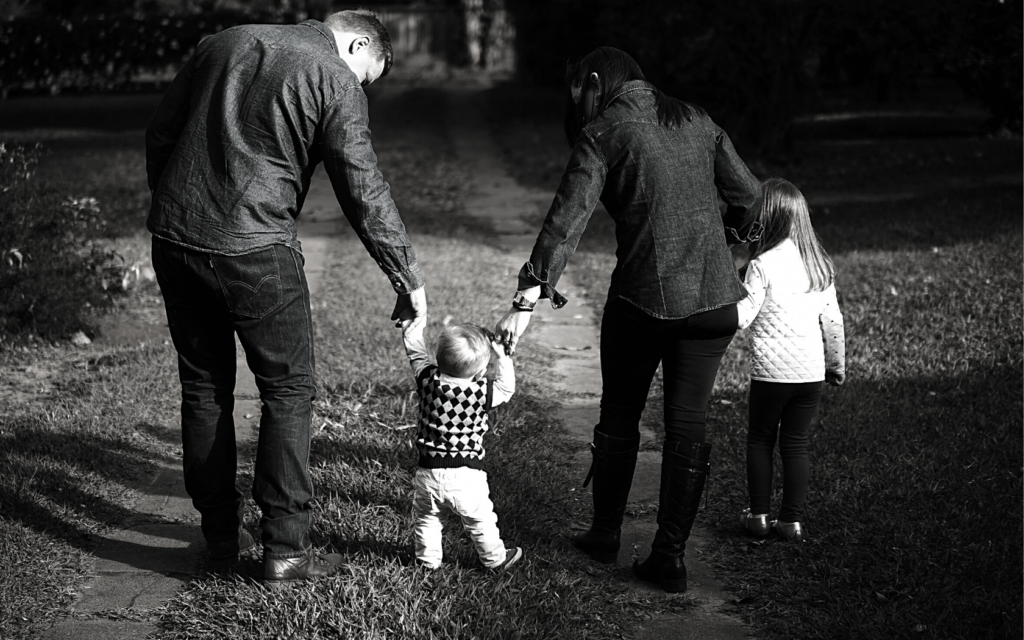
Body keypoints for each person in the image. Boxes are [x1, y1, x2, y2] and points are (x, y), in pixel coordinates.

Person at [145, 9, 427, 588]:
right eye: (368, 75)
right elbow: (362, 186)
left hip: (175, 238)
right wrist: (406, 277)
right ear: (359, 42)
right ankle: (287, 550)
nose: (361, 87)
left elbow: (161, 133)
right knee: (289, 390)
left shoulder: (220, 42)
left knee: (203, 385)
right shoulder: (334, 76)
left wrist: (177, 209)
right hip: (257, 249)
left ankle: (220, 538)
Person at [494, 47, 762, 593]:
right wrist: (727, 239)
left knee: (619, 414)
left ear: (596, 82)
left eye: (580, 94)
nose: (581, 106)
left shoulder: (605, 131)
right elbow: (751, 198)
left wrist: (524, 304)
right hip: (714, 305)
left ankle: (604, 534)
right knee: (688, 422)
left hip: (642, 304)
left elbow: (564, 224)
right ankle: (669, 558)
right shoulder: (697, 118)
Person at [735, 178, 846, 543]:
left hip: (770, 375)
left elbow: (743, 317)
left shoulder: (762, 265)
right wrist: (835, 365)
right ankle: (792, 522)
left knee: (761, 440)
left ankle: (759, 517)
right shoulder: (819, 265)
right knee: (796, 443)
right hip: (810, 374)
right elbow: (832, 321)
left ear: (766, 219)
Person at [402, 321, 523, 571]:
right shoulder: (482, 392)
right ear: (479, 373)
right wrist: (502, 356)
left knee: (427, 519)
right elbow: (507, 388)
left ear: (438, 358)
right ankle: (495, 560)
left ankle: (427, 561)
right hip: (467, 476)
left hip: (429, 473)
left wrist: (412, 326)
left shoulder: (427, 380)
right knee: (480, 521)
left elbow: (415, 352)